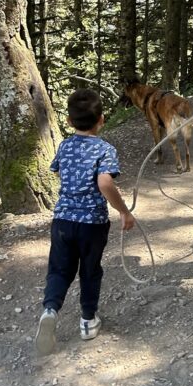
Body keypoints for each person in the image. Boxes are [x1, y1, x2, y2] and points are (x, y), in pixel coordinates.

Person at [35, 88, 135, 355]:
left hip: (63, 221)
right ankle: (88, 321)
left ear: (69, 121)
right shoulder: (105, 149)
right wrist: (124, 211)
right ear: (101, 119)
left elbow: (58, 172)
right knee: (90, 270)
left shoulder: (64, 146)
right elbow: (105, 183)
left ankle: (50, 309)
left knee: (59, 270)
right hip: (92, 224)